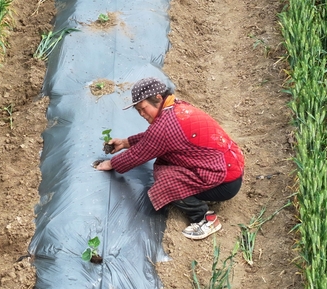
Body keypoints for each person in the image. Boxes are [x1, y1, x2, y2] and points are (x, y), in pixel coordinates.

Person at [96, 77, 244, 240]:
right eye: (138, 111)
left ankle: (204, 218)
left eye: (143, 109)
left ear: (158, 98)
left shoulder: (165, 125)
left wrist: (111, 163)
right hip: (228, 166)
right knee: (165, 163)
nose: (142, 115)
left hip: (225, 181)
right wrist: (125, 142)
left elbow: (140, 153)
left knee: (165, 182)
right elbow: (153, 139)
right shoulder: (176, 107)